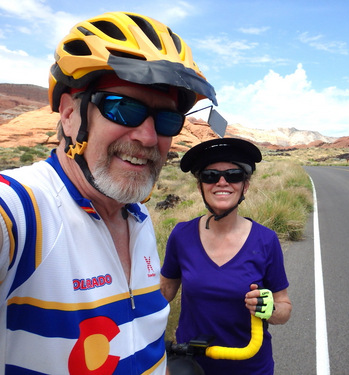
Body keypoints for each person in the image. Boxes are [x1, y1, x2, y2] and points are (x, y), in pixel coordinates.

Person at [0, 11, 217, 374]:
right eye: (123, 108)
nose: (148, 138)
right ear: (70, 115)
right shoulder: (23, 208)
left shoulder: (138, 214)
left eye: (166, 120)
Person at [160, 138, 292, 375]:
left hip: (250, 367)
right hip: (190, 366)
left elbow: (284, 308)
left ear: (245, 186)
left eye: (233, 175)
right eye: (210, 176)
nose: (222, 182)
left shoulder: (266, 240)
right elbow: (164, 293)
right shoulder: (181, 235)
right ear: (200, 186)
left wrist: (269, 309)